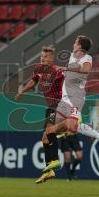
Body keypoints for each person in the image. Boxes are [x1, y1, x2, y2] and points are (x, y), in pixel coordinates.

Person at [42, 35, 99, 178]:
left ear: (79, 45)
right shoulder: (73, 55)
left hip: (75, 98)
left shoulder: (87, 58)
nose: (73, 43)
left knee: (72, 127)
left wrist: (68, 68)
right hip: (64, 99)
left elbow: (85, 70)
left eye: (75, 42)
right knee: (48, 132)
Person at [15, 45, 64, 182]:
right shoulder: (39, 70)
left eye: (46, 56)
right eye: (42, 56)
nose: (43, 58)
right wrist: (22, 91)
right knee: (44, 139)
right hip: (50, 107)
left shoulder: (57, 71)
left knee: (49, 131)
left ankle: (56, 160)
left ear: (52, 58)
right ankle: (49, 170)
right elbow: (34, 80)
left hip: (59, 106)